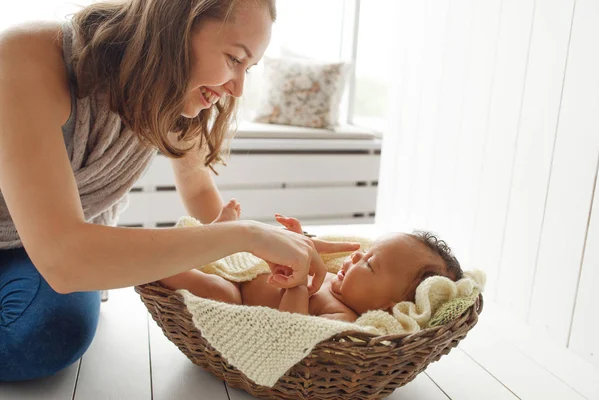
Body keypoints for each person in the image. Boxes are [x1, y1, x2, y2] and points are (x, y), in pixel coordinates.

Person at [0, 0, 359, 382]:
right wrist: (245, 236)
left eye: (248, 68)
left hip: (31, 249)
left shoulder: (170, 96)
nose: (237, 88)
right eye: (235, 59)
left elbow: (199, 187)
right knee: (39, 333)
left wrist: (249, 272)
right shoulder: (27, 57)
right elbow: (64, 259)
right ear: (176, 25)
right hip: (52, 251)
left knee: (49, 331)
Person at [160, 200, 464, 322]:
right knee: (224, 254)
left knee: (214, 290)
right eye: (365, 252)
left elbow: (292, 329)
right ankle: (214, 234)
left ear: (387, 307)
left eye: (369, 264)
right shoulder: (336, 283)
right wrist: (298, 243)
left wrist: (298, 283)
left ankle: (157, 269)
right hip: (249, 269)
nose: (356, 256)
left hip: (238, 297)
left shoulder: (343, 317)